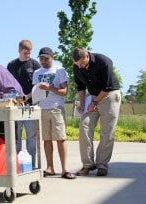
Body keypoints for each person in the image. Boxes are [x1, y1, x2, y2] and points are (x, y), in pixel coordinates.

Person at [72, 47, 121, 176]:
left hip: (109, 96)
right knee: (84, 126)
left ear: (87, 56)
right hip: (92, 96)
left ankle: (102, 165)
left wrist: (95, 103)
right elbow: (80, 87)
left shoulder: (103, 61)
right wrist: (82, 104)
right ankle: (87, 165)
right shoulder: (77, 66)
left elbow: (107, 86)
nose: (80, 67)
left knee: (107, 131)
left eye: (82, 63)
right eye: (77, 65)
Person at [32, 47, 76, 179]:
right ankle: (50, 167)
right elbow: (35, 91)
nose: (44, 61)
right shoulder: (36, 72)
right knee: (47, 139)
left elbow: (64, 91)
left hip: (57, 108)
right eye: (41, 59)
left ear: (53, 57)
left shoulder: (59, 70)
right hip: (43, 108)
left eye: (46, 58)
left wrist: (50, 87)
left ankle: (64, 169)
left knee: (60, 138)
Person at [7, 40, 41, 167]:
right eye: (25, 52)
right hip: (15, 105)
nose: (27, 55)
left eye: (29, 53)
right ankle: (15, 164)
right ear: (19, 50)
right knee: (16, 136)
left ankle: (31, 164)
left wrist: (28, 96)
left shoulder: (35, 64)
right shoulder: (11, 65)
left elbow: (38, 85)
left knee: (31, 136)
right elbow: (8, 84)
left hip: (30, 105)